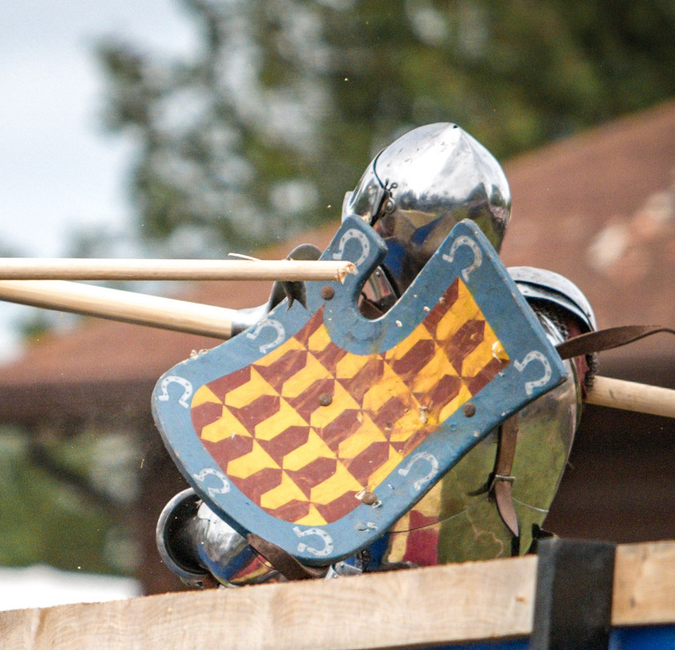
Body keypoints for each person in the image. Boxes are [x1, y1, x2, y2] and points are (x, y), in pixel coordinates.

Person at [155, 122, 599, 587]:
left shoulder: (379, 375)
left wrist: (189, 530)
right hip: (505, 604)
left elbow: (249, 551)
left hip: (372, 614)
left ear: (372, 220)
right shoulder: (541, 336)